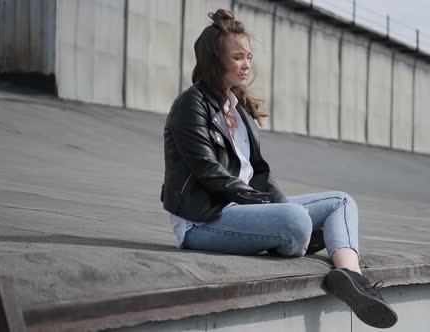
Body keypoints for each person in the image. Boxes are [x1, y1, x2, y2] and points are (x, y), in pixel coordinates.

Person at [161, 8, 397, 329]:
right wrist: (270, 208)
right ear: (214, 60)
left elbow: (260, 173)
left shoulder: (238, 108)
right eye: (238, 57)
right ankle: (295, 237)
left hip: (243, 209)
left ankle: (352, 278)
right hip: (203, 220)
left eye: (249, 56)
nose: (247, 64)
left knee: (340, 201)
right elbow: (208, 172)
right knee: (295, 220)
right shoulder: (191, 104)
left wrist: (276, 204)